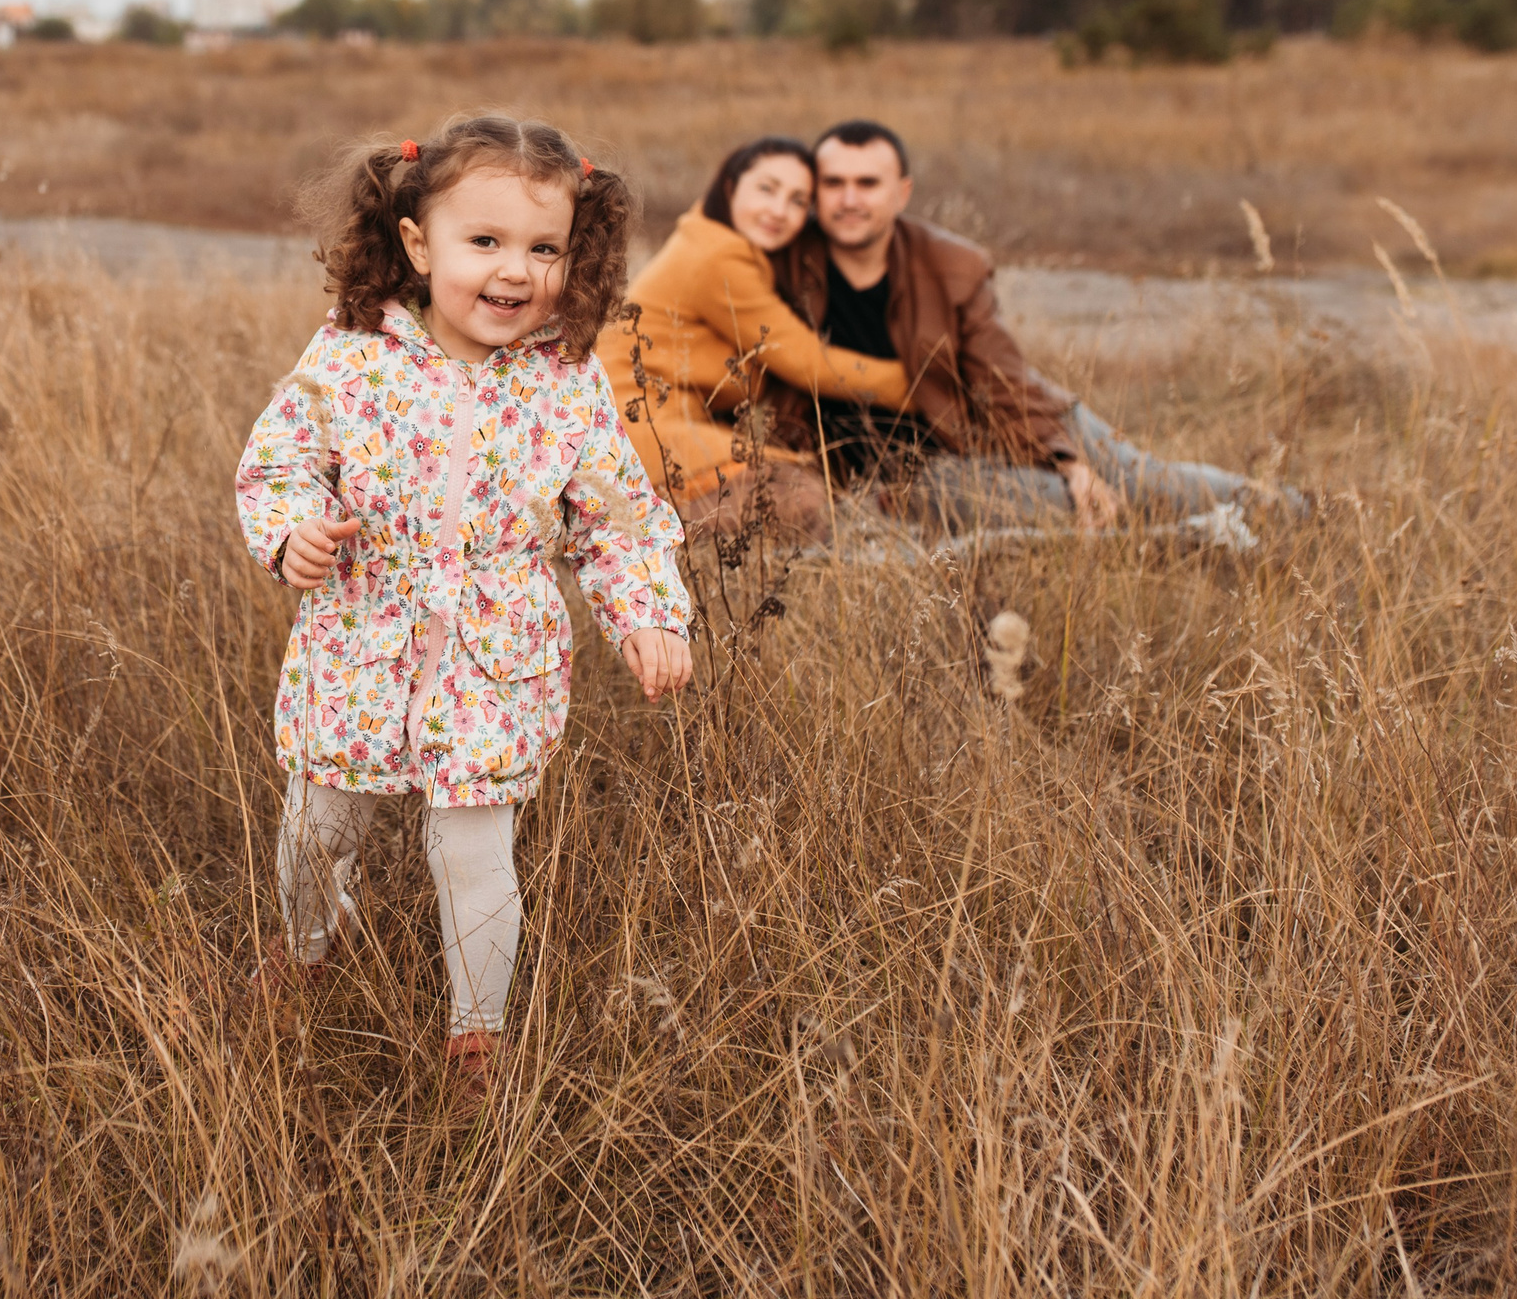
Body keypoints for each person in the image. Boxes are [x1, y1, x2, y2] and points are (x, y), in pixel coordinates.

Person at [234, 113, 693, 1108]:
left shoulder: (566, 385)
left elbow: (617, 520)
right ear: (416, 243)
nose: (514, 272)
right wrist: (295, 530)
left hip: (494, 656)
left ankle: (474, 1036)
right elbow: (278, 465)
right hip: (361, 637)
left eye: (543, 248)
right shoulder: (352, 361)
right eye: (483, 242)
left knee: (472, 850)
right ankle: (310, 946)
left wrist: (649, 615)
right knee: (318, 825)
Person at [775, 119, 1288, 533]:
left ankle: (1292, 509)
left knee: (1144, 482)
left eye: (867, 183)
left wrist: (1067, 458)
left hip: (1027, 412)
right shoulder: (784, 264)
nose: (848, 200)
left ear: (902, 192)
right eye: (834, 183)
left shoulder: (951, 263)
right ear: (813, 192)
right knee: (1066, 506)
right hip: (929, 466)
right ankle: (1202, 535)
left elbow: (1001, 376)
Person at [596, 136, 911, 542]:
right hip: (639, 430)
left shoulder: (714, 240)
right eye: (767, 189)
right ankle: (630, 539)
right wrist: (919, 385)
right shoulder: (718, 257)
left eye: (799, 201)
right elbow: (808, 363)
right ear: (730, 187)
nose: (780, 211)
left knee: (799, 491)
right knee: (802, 495)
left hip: (641, 430)